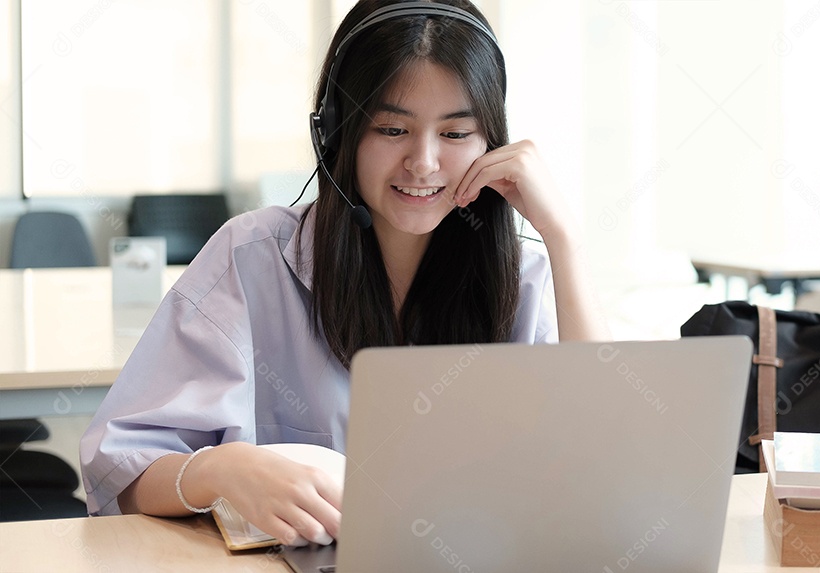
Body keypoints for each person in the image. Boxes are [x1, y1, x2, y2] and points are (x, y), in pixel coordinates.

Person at [80, 0, 608, 547]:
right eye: (391, 128)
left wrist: (564, 239)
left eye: (455, 134)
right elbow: (120, 471)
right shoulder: (252, 259)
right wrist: (222, 470)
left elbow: (603, 471)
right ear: (337, 132)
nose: (423, 162)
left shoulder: (524, 277)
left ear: (492, 143)